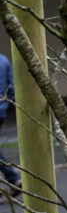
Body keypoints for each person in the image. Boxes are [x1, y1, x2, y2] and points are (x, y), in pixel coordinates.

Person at [0, 52, 21, 198]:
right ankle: (13, 179)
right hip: (1, 111)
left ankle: (12, 178)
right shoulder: (4, 59)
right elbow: (12, 88)